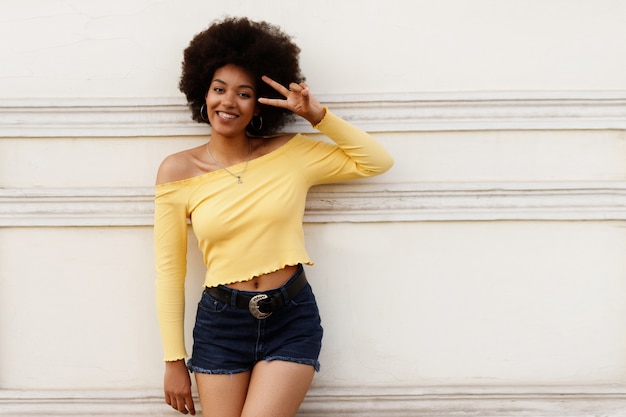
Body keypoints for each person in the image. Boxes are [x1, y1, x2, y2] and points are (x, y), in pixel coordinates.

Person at [154, 17, 394, 417]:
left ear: (260, 103)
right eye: (219, 89)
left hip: (290, 317)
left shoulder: (292, 155)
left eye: (244, 94)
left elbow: (376, 162)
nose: (228, 102)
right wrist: (173, 360)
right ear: (203, 93)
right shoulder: (177, 171)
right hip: (221, 324)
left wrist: (318, 116)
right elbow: (168, 271)